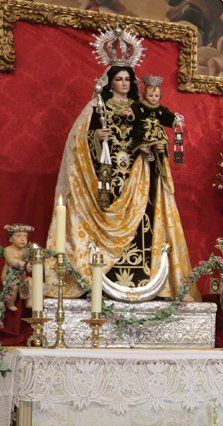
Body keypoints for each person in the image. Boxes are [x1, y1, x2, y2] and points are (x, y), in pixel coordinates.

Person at [46, 48, 196, 300]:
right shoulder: (98, 107)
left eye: (128, 79)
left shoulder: (143, 107)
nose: (124, 84)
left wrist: (160, 148)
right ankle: (101, 278)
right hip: (108, 176)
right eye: (119, 79)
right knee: (105, 215)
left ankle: (141, 280)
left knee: (143, 224)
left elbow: (156, 132)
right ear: (110, 81)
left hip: (139, 175)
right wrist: (96, 137)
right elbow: (78, 143)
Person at [132, 75, 178, 164]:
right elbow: (135, 111)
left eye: (156, 96)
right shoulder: (140, 105)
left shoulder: (160, 108)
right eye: (151, 95)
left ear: (160, 96)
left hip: (157, 132)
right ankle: (145, 149)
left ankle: (155, 152)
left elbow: (167, 116)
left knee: (160, 141)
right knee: (141, 134)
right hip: (144, 129)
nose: (153, 98)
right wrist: (130, 113)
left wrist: (176, 121)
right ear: (145, 95)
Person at [2, 224, 34, 311]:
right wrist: (24, 264)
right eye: (18, 236)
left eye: (25, 236)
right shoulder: (8, 250)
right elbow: (11, 261)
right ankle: (10, 303)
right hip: (9, 275)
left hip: (21, 275)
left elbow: (30, 260)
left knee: (31, 282)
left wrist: (32, 261)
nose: (23, 239)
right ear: (11, 239)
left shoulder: (26, 250)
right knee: (14, 287)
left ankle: (29, 302)